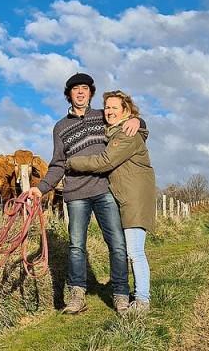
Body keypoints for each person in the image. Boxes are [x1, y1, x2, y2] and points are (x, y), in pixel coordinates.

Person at [28, 73, 147, 315]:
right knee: (76, 246)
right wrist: (40, 189)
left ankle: (121, 295)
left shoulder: (102, 116)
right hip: (76, 194)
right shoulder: (60, 127)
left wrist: (140, 122)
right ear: (68, 94)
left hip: (105, 189)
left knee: (117, 244)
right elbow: (58, 164)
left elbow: (129, 128)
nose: (80, 92)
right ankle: (77, 296)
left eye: (85, 88)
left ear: (90, 93)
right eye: (75, 89)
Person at [65, 90, 155, 313]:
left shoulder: (126, 134)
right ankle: (138, 295)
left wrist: (72, 163)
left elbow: (105, 161)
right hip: (126, 197)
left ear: (126, 111)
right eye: (107, 107)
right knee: (130, 249)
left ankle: (142, 299)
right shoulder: (115, 132)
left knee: (134, 251)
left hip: (134, 198)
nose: (109, 111)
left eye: (115, 107)